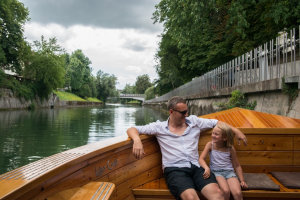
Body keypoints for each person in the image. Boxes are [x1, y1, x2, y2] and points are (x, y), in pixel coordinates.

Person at [127, 96, 247, 200]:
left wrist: (236, 131)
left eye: (187, 111)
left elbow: (216, 123)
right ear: (171, 112)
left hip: (196, 167)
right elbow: (132, 129)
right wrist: (137, 140)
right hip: (175, 170)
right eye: (183, 112)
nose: (186, 115)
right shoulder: (159, 127)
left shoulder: (194, 122)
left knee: (218, 195)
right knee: (191, 198)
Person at [199, 122, 248, 200]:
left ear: (224, 138)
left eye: (216, 134)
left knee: (238, 193)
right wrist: (206, 168)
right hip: (216, 172)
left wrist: (242, 180)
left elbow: (237, 165)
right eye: (213, 133)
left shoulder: (230, 148)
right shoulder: (210, 145)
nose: (213, 135)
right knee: (225, 191)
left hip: (229, 172)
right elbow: (201, 159)